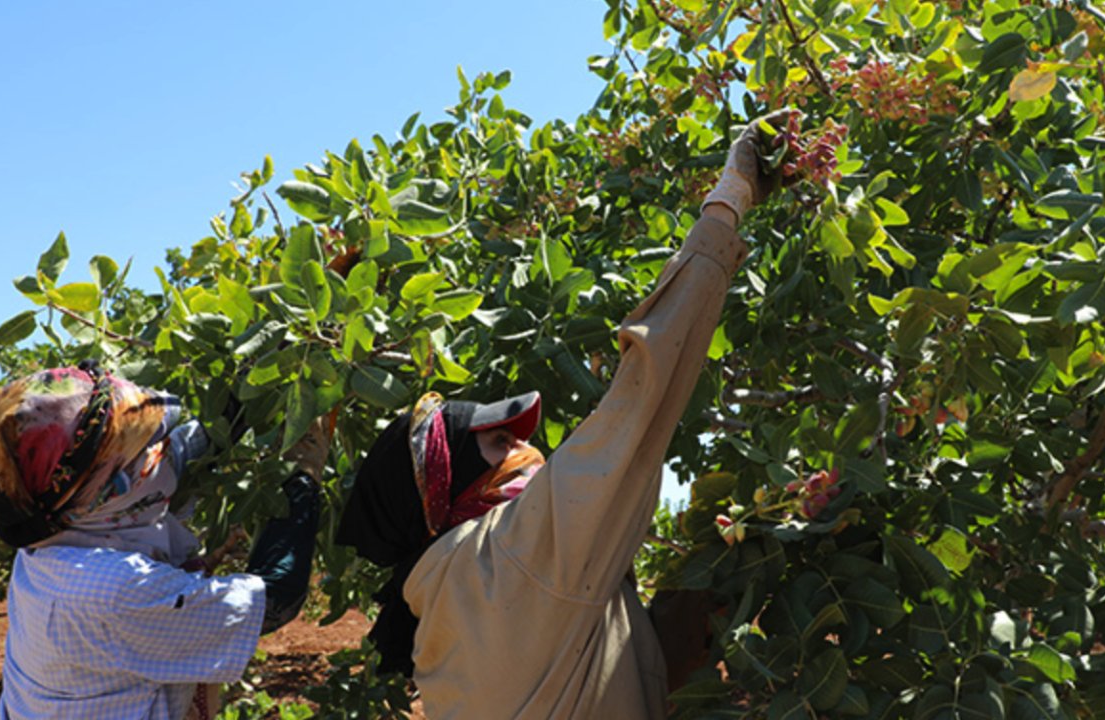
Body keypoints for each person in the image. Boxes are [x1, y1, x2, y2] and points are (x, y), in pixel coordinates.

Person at [336, 110, 792, 718]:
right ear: (440, 493)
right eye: (497, 445)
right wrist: (729, 199)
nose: (527, 452)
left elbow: (596, 669)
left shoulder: (444, 610)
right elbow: (641, 398)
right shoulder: (507, 559)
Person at [0, 362, 327, 719]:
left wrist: (262, 369)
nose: (159, 453)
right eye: (142, 450)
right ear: (108, 488)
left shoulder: (56, 526)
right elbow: (277, 595)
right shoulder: (110, 590)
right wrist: (303, 481)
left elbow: (188, 449)